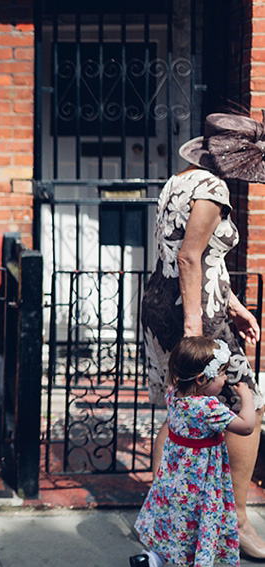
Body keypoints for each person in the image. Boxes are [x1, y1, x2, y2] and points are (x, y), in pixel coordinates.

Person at [141, 112, 265, 559]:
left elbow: (192, 254)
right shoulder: (214, 188)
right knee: (245, 398)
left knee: (181, 406)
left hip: (163, 301)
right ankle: (238, 521)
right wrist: (196, 327)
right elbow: (191, 257)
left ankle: (164, 517)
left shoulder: (180, 179)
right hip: (193, 311)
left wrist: (235, 306)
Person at [130, 336, 257, 567]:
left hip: (175, 478)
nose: (225, 379)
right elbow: (247, 426)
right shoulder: (208, 408)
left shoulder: (174, 394)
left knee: (176, 522)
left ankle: (153, 559)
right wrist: (247, 398)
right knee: (198, 523)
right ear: (201, 379)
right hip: (200, 483)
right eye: (221, 374)